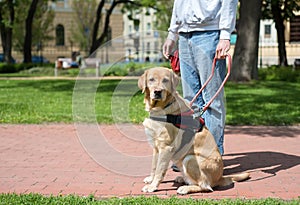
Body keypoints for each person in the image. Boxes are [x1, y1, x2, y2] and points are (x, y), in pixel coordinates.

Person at [163, 0, 238, 156]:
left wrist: (225, 36)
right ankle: (192, 153)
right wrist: (172, 34)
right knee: (190, 100)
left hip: (209, 34)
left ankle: (212, 155)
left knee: (212, 100)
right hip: (184, 35)